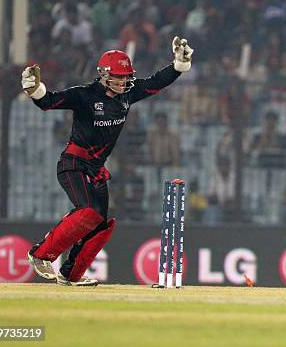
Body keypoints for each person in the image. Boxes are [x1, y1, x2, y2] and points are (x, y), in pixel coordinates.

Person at [21, 36, 193, 286]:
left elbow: (156, 82)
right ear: (103, 75)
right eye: (118, 77)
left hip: (96, 169)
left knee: (102, 223)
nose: (123, 82)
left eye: (126, 77)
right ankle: (40, 255)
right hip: (73, 164)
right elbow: (49, 101)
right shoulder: (85, 95)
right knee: (88, 212)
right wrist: (34, 89)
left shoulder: (128, 94)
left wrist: (179, 65)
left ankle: (71, 274)